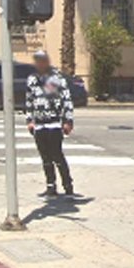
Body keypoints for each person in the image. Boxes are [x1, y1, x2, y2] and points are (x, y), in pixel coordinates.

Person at [24, 49, 78, 199]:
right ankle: (51, 186)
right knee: (45, 158)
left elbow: (66, 100)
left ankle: (68, 185)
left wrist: (68, 120)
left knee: (57, 156)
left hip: (54, 123)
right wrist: (29, 120)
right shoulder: (32, 79)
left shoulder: (55, 78)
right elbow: (29, 100)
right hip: (39, 124)